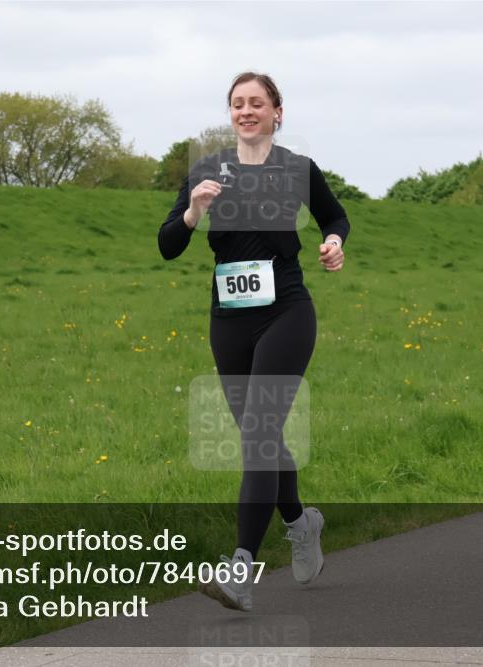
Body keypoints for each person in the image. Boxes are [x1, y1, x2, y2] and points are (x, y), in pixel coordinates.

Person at [157, 71, 351, 612]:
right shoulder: (207, 170)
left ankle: (240, 568)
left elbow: (334, 215)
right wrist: (194, 211)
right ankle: (300, 521)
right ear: (231, 114)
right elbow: (168, 244)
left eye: (257, 103)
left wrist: (333, 241)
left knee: (260, 431)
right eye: (238, 104)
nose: (247, 111)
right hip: (229, 316)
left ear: (277, 112)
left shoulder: (296, 168)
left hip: (286, 309)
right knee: (260, 436)